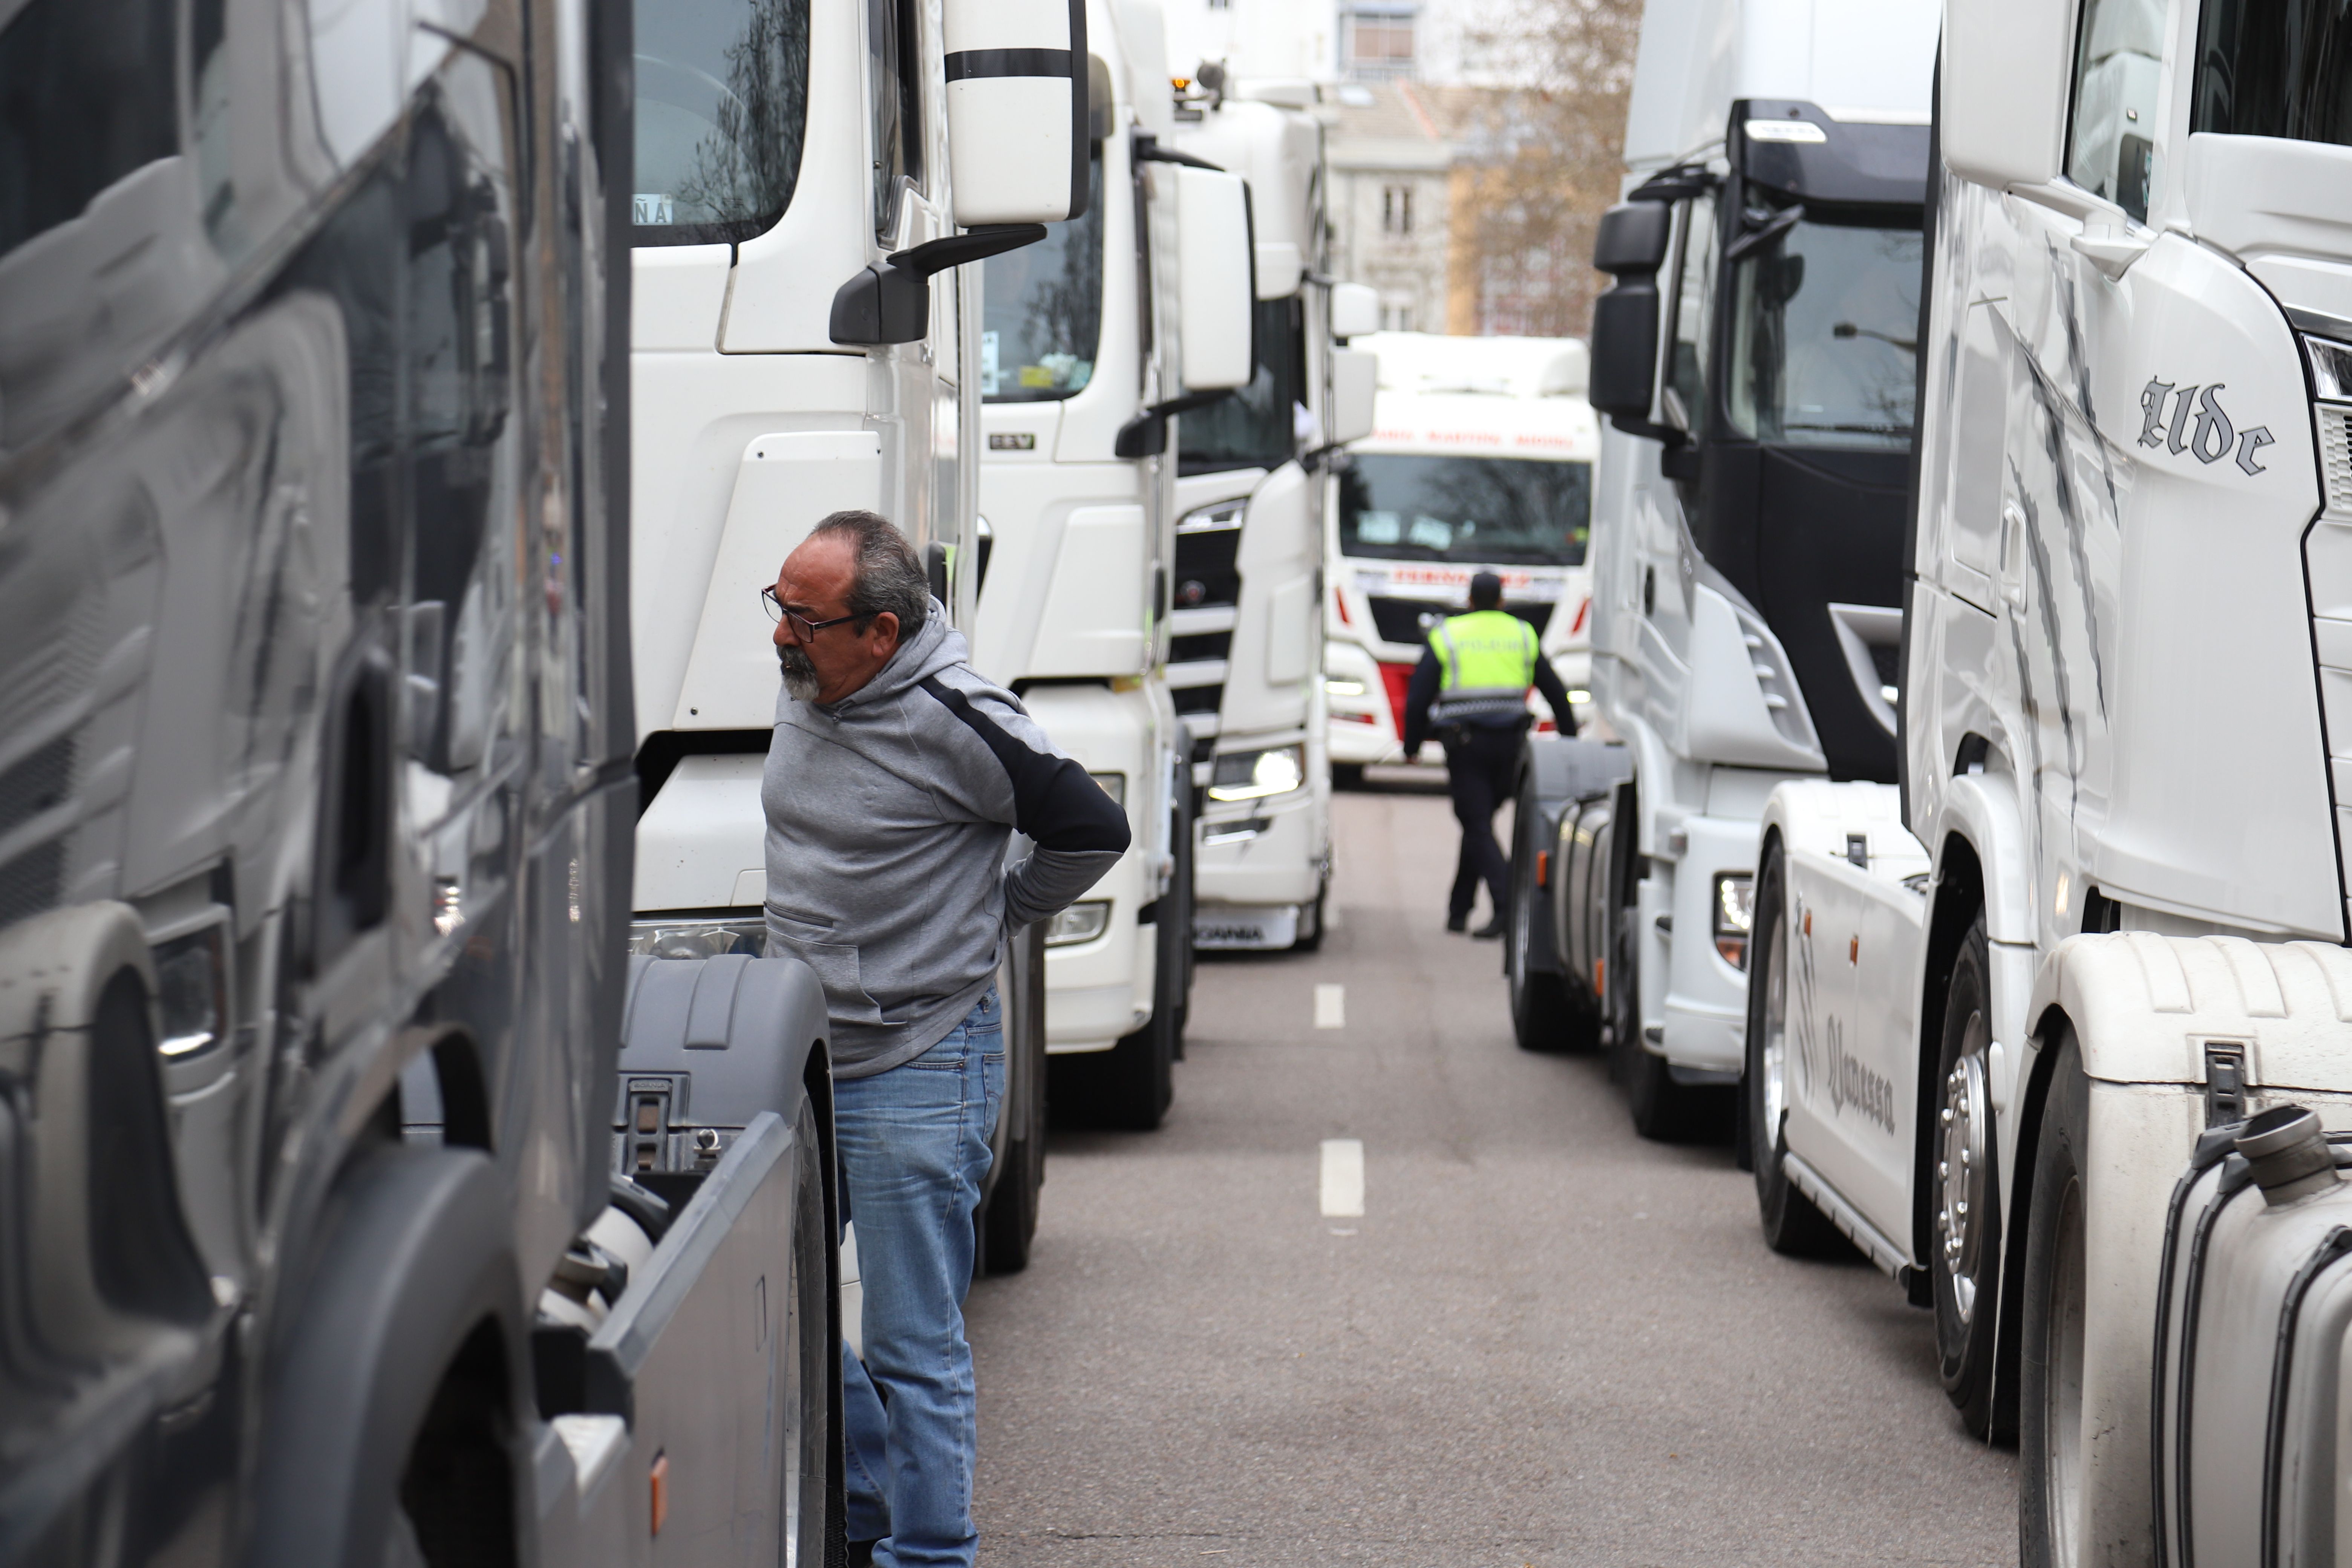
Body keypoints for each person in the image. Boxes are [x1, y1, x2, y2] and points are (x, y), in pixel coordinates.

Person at [759, 510, 1130, 1568]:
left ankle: (930, 1553)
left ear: (880, 633)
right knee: (779, 1297)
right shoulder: (812, 679)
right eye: (778, 608)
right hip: (808, 1058)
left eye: (804, 618)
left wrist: (998, 916)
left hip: (918, 1061)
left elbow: (1093, 829)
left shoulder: (958, 715)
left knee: (913, 1342)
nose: (782, 635)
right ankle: (869, 1493)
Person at [1399, 570, 1577, 937]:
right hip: (1511, 744)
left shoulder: (1448, 635)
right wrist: (1570, 734)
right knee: (1477, 821)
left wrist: (1412, 745)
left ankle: (1508, 903)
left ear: (1469, 601)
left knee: (1476, 823)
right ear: (1501, 600)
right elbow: (1554, 688)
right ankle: (1459, 909)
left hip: (1467, 745)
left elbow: (1418, 699)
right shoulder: (1521, 633)